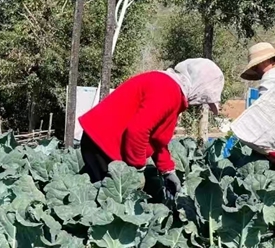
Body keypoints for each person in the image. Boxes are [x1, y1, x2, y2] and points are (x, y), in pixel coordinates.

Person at [77, 58, 224, 198]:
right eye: (203, 99)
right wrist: (138, 168)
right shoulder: (168, 89)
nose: (198, 103)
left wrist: (167, 170)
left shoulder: (172, 89)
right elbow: (138, 131)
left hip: (102, 143)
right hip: (102, 145)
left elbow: (156, 138)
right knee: (111, 204)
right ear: (199, 87)